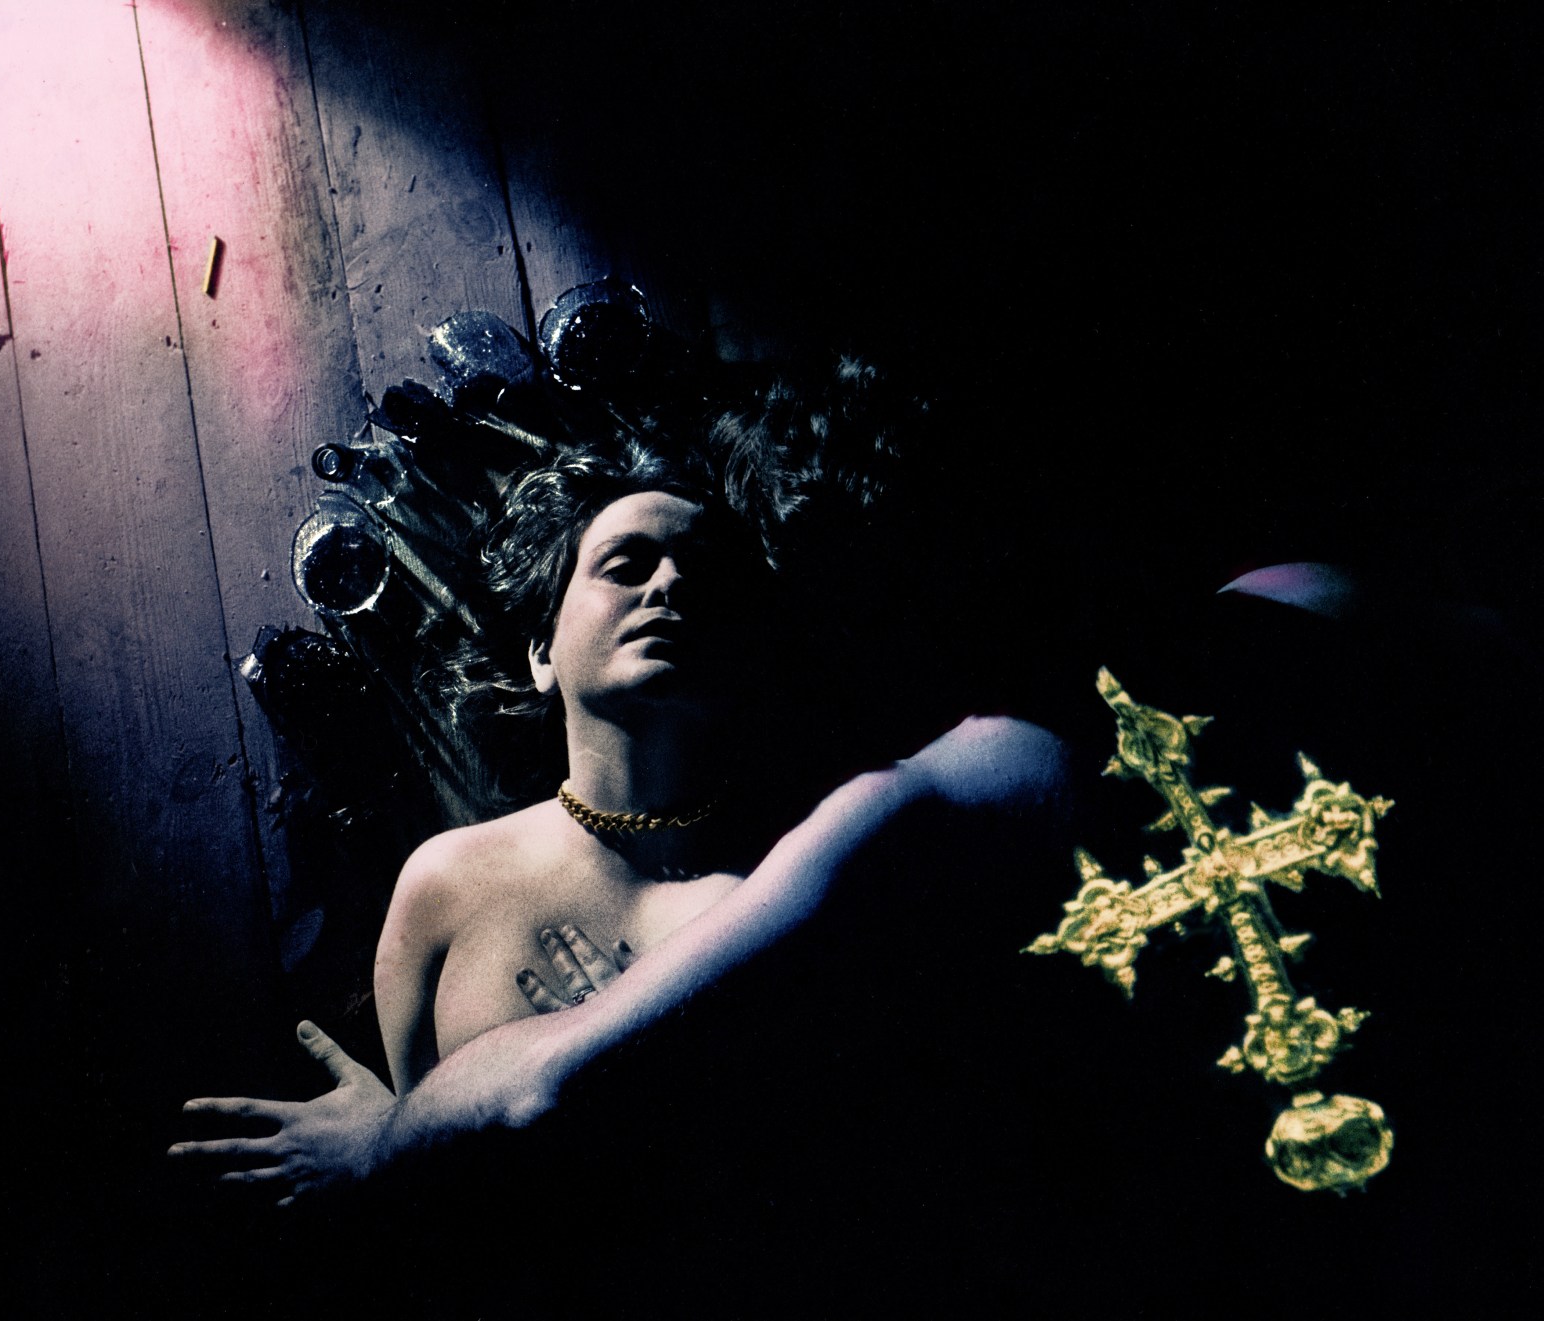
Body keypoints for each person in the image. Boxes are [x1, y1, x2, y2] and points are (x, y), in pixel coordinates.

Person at [169, 428, 1075, 1243]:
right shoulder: (447, 880)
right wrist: (399, 1139)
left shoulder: (799, 853)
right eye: (626, 564)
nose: (670, 583)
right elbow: (440, 1193)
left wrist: (405, 1135)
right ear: (541, 651)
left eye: (703, 573)